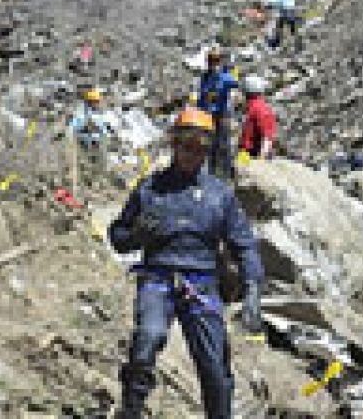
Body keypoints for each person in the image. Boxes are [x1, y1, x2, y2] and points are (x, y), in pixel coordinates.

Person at [109, 108, 265, 419]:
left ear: (208, 151)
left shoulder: (219, 196)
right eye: (186, 145)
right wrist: (137, 234)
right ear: (174, 144)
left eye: (200, 148)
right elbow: (118, 235)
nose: (192, 154)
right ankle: (131, 409)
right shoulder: (150, 189)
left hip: (202, 283)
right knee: (148, 338)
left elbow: (244, 243)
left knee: (214, 362)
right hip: (157, 278)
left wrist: (252, 287)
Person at [197, 49, 239, 179]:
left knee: (223, 146)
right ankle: (209, 174)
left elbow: (236, 84)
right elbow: (202, 96)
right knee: (208, 147)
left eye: (216, 61)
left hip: (220, 117)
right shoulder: (205, 77)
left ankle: (227, 174)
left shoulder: (225, 77)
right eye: (211, 60)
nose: (213, 64)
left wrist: (233, 70)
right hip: (206, 117)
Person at [238, 75, 277, 159]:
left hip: (253, 154)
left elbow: (267, 136)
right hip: (246, 153)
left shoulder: (259, 108)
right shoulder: (253, 106)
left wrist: (261, 159)